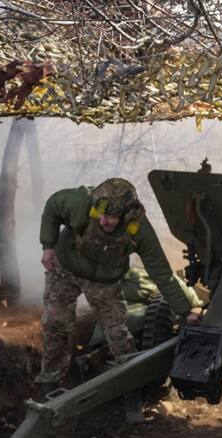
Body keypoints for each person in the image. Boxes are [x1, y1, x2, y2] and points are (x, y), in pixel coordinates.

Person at [35, 177, 195, 421]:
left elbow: (161, 273)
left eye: (110, 217)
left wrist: (185, 311)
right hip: (66, 269)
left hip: (104, 281)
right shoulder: (79, 201)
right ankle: (49, 383)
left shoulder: (139, 230)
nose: (102, 221)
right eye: (100, 214)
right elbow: (52, 207)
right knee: (56, 323)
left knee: (118, 335)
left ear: (127, 215)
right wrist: (47, 244)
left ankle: (130, 390)